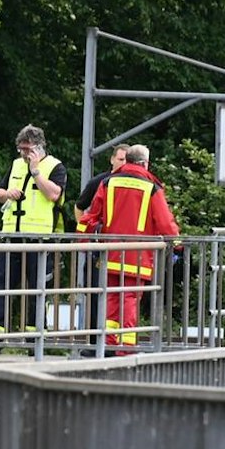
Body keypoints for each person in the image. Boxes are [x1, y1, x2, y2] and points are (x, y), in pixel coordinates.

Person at [80, 143, 180, 353]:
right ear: (145, 163)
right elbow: (165, 224)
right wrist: (178, 245)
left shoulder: (108, 183)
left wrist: (83, 241)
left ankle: (110, 344)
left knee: (113, 299)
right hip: (138, 257)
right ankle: (126, 348)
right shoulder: (151, 187)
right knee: (130, 300)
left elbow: (90, 216)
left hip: (111, 253)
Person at [0, 125, 67, 333]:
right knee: (0, 284)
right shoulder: (15, 165)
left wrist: (36, 172)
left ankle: (35, 336)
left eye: (27, 149)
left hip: (39, 238)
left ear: (39, 148)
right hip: (12, 235)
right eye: (20, 149)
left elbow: (53, 194)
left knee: (38, 288)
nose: (23, 153)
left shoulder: (55, 166)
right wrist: (6, 194)